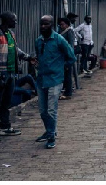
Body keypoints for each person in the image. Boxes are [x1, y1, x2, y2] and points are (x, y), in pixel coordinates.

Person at [0, 11, 35, 143]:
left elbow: (15, 50)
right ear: (6, 20)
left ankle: (5, 127)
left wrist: (27, 57)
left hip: (11, 73)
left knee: (6, 102)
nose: (15, 22)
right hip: (0, 74)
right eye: (13, 20)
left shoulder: (10, 34)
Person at [34, 15, 76, 149]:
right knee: (42, 110)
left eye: (46, 24)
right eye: (41, 24)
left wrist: (61, 68)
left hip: (55, 79)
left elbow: (71, 57)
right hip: (41, 79)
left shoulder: (59, 40)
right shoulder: (39, 41)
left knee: (52, 109)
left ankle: (51, 135)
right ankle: (49, 130)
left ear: (52, 25)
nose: (43, 27)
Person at [57, 17, 75, 100]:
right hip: (62, 56)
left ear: (67, 24)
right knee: (65, 74)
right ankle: (66, 91)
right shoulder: (61, 31)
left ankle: (68, 93)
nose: (61, 26)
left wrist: (69, 57)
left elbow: (70, 45)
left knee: (68, 75)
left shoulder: (69, 31)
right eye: (60, 24)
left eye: (62, 24)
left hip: (67, 56)